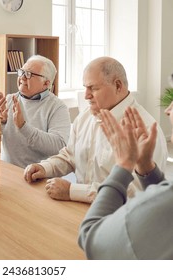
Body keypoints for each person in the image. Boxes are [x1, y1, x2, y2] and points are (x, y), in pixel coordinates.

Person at [24, 56, 168, 203]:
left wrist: (72, 191)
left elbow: (137, 192)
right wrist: (45, 168)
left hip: (118, 219)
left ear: (118, 86)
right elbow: (70, 156)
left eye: (93, 88)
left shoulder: (147, 131)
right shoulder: (86, 117)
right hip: (77, 211)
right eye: (85, 88)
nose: (86, 95)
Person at [78, 106, 173, 259]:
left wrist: (123, 165)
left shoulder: (147, 124)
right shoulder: (84, 117)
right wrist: (145, 167)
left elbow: (91, 238)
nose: (168, 110)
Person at [0, 55, 71, 168]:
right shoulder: (9, 100)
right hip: (9, 172)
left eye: (29, 74)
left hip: (38, 177)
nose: (22, 77)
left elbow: (59, 146)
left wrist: (23, 127)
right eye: (22, 72)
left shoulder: (58, 107)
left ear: (46, 83)